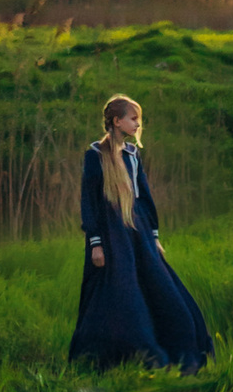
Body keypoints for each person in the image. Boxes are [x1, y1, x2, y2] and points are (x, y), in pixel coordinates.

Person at [68, 91, 212, 372]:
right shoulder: (94, 156)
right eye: (133, 119)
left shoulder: (133, 156)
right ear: (116, 121)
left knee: (161, 287)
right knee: (118, 292)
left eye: (138, 120)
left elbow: (144, 198)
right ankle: (112, 356)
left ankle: (173, 350)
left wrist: (155, 238)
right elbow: (90, 202)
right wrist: (96, 243)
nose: (137, 125)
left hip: (139, 232)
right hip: (110, 237)